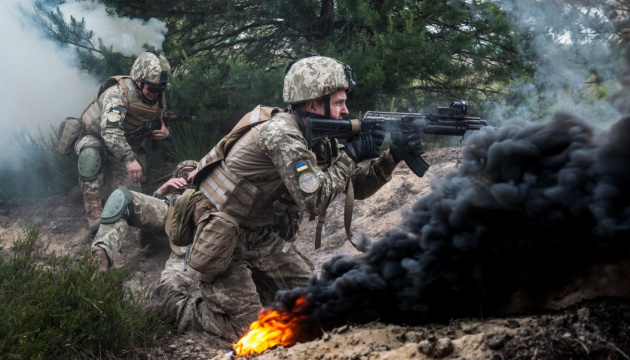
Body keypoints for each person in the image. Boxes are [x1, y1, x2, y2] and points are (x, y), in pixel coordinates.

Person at [149, 55, 425, 341]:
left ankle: (258, 288)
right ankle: (174, 302)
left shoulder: (319, 137)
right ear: (313, 104)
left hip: (259, 234)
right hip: (221, 233)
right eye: (339, 103)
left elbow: (354, 185)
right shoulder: (280, 134)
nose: (346, 111)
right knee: (250, 333)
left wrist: (391, 158)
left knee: (315, 304)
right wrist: (349, 155)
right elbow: (315, 199)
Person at [59, 51, 173, 234]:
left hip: (122, 147)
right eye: (152, 89)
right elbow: (110, 131)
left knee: (129, 199)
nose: (155, 94)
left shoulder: (157, 97)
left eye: (160, 89)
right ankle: (94, 214)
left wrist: (166, 133)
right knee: (90, 154)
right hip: (95, 138)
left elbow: (159, 121)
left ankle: (89, 188)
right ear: (138, 81)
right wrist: (130, 159)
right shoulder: (117, 94)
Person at [90, 160, 198, 273]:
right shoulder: (170, 196)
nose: (187, 177)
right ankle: (100, 256)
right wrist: (162, 191)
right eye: (183, 174)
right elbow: (152, 212)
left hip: (196, 222)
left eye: (191, 172)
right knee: (121, 197)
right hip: (169, 213)